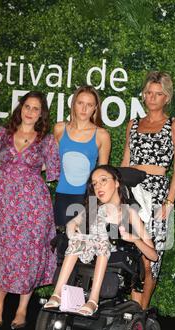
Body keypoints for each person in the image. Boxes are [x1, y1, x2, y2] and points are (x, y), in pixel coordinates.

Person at [0, 91, 60, 329]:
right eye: (27, 106)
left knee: (30, 254)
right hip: (6, 205)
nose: (30, 112)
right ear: (20, 108)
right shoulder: (2, 134)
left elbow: (54, 169)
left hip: (34, 206)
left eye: (36, 109)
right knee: (5, 251)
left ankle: (22, 308)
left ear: (41, 114)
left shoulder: (45, 140)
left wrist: (34, 169)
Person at [44, 165, 158, 315]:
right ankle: (57, 294)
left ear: (117, 183)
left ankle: (93, 300)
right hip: (86, 250)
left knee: (103, 241)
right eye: (95, 183)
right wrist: (72, 231)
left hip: (109, 251)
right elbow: (72, 223)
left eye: (103, 180)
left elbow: (153, 256)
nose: (98, 187)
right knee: (78, 239)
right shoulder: (92, 208)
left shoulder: (128, 212)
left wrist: (135, 239)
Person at [121, 71, 175, 309]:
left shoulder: (174, 124)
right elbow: (124, 163)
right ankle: (131, 309)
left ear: (167, 97)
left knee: (151, 258)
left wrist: (169, 203)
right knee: (131, 253)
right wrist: (118, 196)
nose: (152, 97)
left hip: (158, 195)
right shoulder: (133, 124)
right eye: (149, 92)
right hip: (131, 193)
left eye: (158, 94)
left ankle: (141, 311)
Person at [53, 85, 111, 227]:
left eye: (89, 105)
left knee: (85, 244)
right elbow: (51, 162)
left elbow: (104, 175)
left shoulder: (102, 135)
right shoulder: (59, 128)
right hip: (62, 195)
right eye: (80, 103)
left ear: (95, 108)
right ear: (73, 104)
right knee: (61, 244)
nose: (84, 109)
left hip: (88, 198)